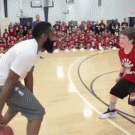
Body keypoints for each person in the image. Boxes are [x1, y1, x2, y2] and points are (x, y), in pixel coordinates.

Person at [0, 22, 54, 135]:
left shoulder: (35, 49)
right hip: (3, 82)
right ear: (44, 36)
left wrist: (29, 96)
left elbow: (29, 75)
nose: (55, 38)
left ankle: (2, 125)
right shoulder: (28, 51)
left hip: (7, 81)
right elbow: (10, 80)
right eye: (53, 35)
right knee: (37, 112)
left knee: (20, 103)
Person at [99, 27, 135, 119]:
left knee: (133, 101)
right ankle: (112, 111)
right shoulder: (121, 51)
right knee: (114, 92)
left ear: (131, 40)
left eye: (124, 38)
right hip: (127, 78)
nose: (121, 40)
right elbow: (123, 65)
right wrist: (120, 76)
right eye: (120, 38)